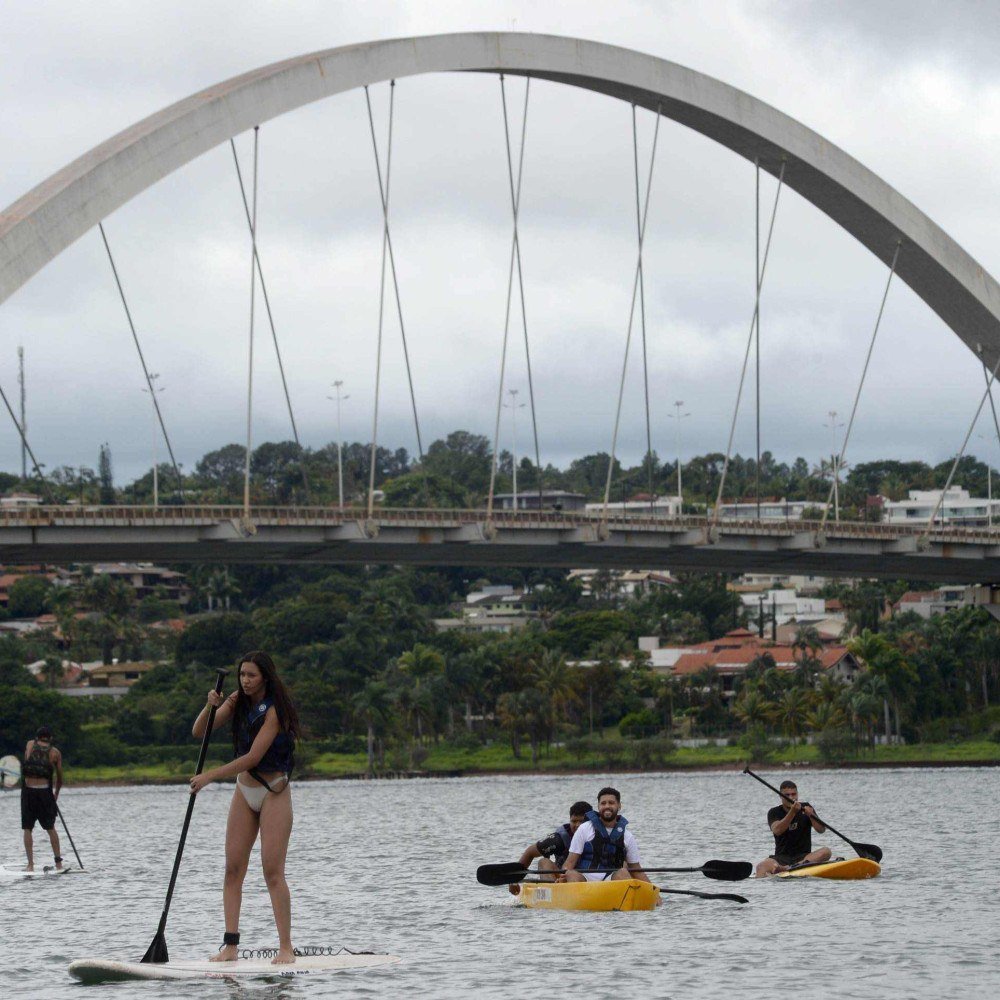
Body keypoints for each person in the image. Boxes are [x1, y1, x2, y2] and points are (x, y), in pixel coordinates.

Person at [190, 652, 299, 965]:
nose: (246, 681)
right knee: (232, 869)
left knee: (272, 871)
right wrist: (211, 706)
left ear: (265, 676)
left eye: (251, 675)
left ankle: (286, 948)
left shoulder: (276, 711)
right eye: (242, 675)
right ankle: (231, 946)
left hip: (273, 791)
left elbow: (253, 757)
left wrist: (209, 776)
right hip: (244, 790)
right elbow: (201, 731)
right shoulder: (237, 701)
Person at [562, 787, 652, 884]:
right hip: (584, 879)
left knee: (623, 872)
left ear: (619, 806)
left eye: (611, 803)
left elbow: (636, 869)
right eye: (603, 803)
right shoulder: (584, 829)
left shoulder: (627, 836)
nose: (607, 806)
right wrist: (563, 877)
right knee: (571, 874)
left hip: (610, 882)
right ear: (598, 806)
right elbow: (570, 863)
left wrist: (654, 893)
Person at [508, 800, 592, 896]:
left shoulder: (599, 834)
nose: (577, 825)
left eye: (581, 821)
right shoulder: (559, 839)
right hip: (562, 879)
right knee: (544, 862)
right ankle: (553, 893)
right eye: (574, 821)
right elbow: (530, 852)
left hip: (590, 879)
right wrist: (514, 879)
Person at [755, 779, 831, 876]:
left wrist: (812, 817)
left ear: (797, 794)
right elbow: (777, 830)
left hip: (804, 857)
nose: (791, 797)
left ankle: (791, 867)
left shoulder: (806, 807)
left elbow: (821, 830)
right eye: (787, 795)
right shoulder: (774, 812)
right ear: (780, 796)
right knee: (761, 867)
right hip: (781, 858)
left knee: (826, 851)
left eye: (793, 794)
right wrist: (792, 812)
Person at [21, 726, 63, 871]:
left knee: (27, 828)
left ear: (37, 737)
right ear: (50, 738)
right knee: (51, 828)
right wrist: (55, 794)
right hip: (45, 793)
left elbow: (26, 760)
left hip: (28, 792)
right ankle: (59, 864)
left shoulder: (29, 745)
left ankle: (30, 865)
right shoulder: (56, 752)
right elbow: (59, 779)